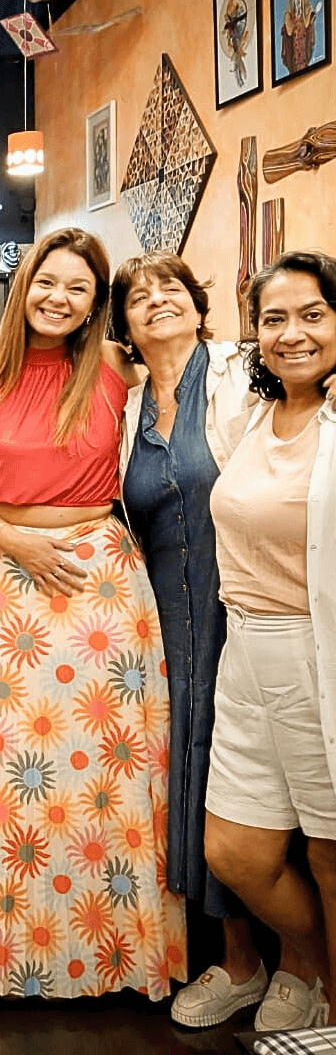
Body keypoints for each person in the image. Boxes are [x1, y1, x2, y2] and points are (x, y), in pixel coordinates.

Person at [0, 227, 186, 1000]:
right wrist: (16, 541)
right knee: (3, 773)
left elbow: (197, 361)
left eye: (78, 289)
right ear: (24, 284)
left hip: (99, 585)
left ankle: (115, 954)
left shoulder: (114, 368)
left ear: (94, 304)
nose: (59, 298)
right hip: (0, 582)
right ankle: (15, 955)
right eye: (48, 282)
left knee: (109, 772)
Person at [110, 253, 266, 1027]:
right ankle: (233, 956)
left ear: (199, 305)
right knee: (191, 767)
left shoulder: (245, 372)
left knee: (254, 777)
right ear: (126, 328)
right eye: (139, 297)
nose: (157, 302)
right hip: (164, 619)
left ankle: (292, 965)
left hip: (246, 599)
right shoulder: (127, 404)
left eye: (170, 288)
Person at [205, 251, 336, 1033]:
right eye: (274, 319)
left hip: (315, 655)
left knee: (328, 855)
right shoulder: (259, 412)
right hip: (243, 651)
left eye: (312, 314)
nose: (291, 334)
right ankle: (315, 971)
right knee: (236, 852)